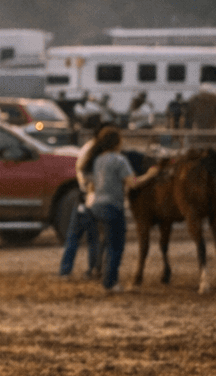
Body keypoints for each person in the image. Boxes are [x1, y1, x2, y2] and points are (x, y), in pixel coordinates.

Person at [84, 127, 159, 293]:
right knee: (116, 247)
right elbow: (132, 183)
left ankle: (104, 277)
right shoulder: (119, 160)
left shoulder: (98, 160)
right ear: (116, 142)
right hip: (113, 206)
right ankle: (111, 283)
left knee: (106, 244)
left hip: (97, 206)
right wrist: (150, 174)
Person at [59, 126, 110, 280]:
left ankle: (65, 270)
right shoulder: (102, 154)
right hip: (94, 200)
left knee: (73, 237)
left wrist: (85, 187)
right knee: (94, 238)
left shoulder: (88, 149)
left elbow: (80, 170)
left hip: (82, 199)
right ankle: (94, 269)